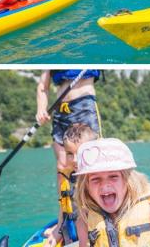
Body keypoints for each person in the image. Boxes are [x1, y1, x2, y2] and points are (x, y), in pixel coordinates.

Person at [73, 138, 150, 247]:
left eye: (113, 176)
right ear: (86, 186)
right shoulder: (84, 220)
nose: (105, 184)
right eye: (95, 179)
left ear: (128, 181)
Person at [36, 69, 102, 245]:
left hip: (84, 106)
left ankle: (97, 217)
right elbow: (43, 86)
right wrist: (41, 109)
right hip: (60, 110)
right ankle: (62, 224)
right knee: (63, 168)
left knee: (90, 165)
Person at [44, 123, 99, 246]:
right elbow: (63, 217)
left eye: (80, 153)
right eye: (70, 154)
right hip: (73, 240)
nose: (74, 159)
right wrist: (56, 235)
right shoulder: (66, 181)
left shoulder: (101, 181)